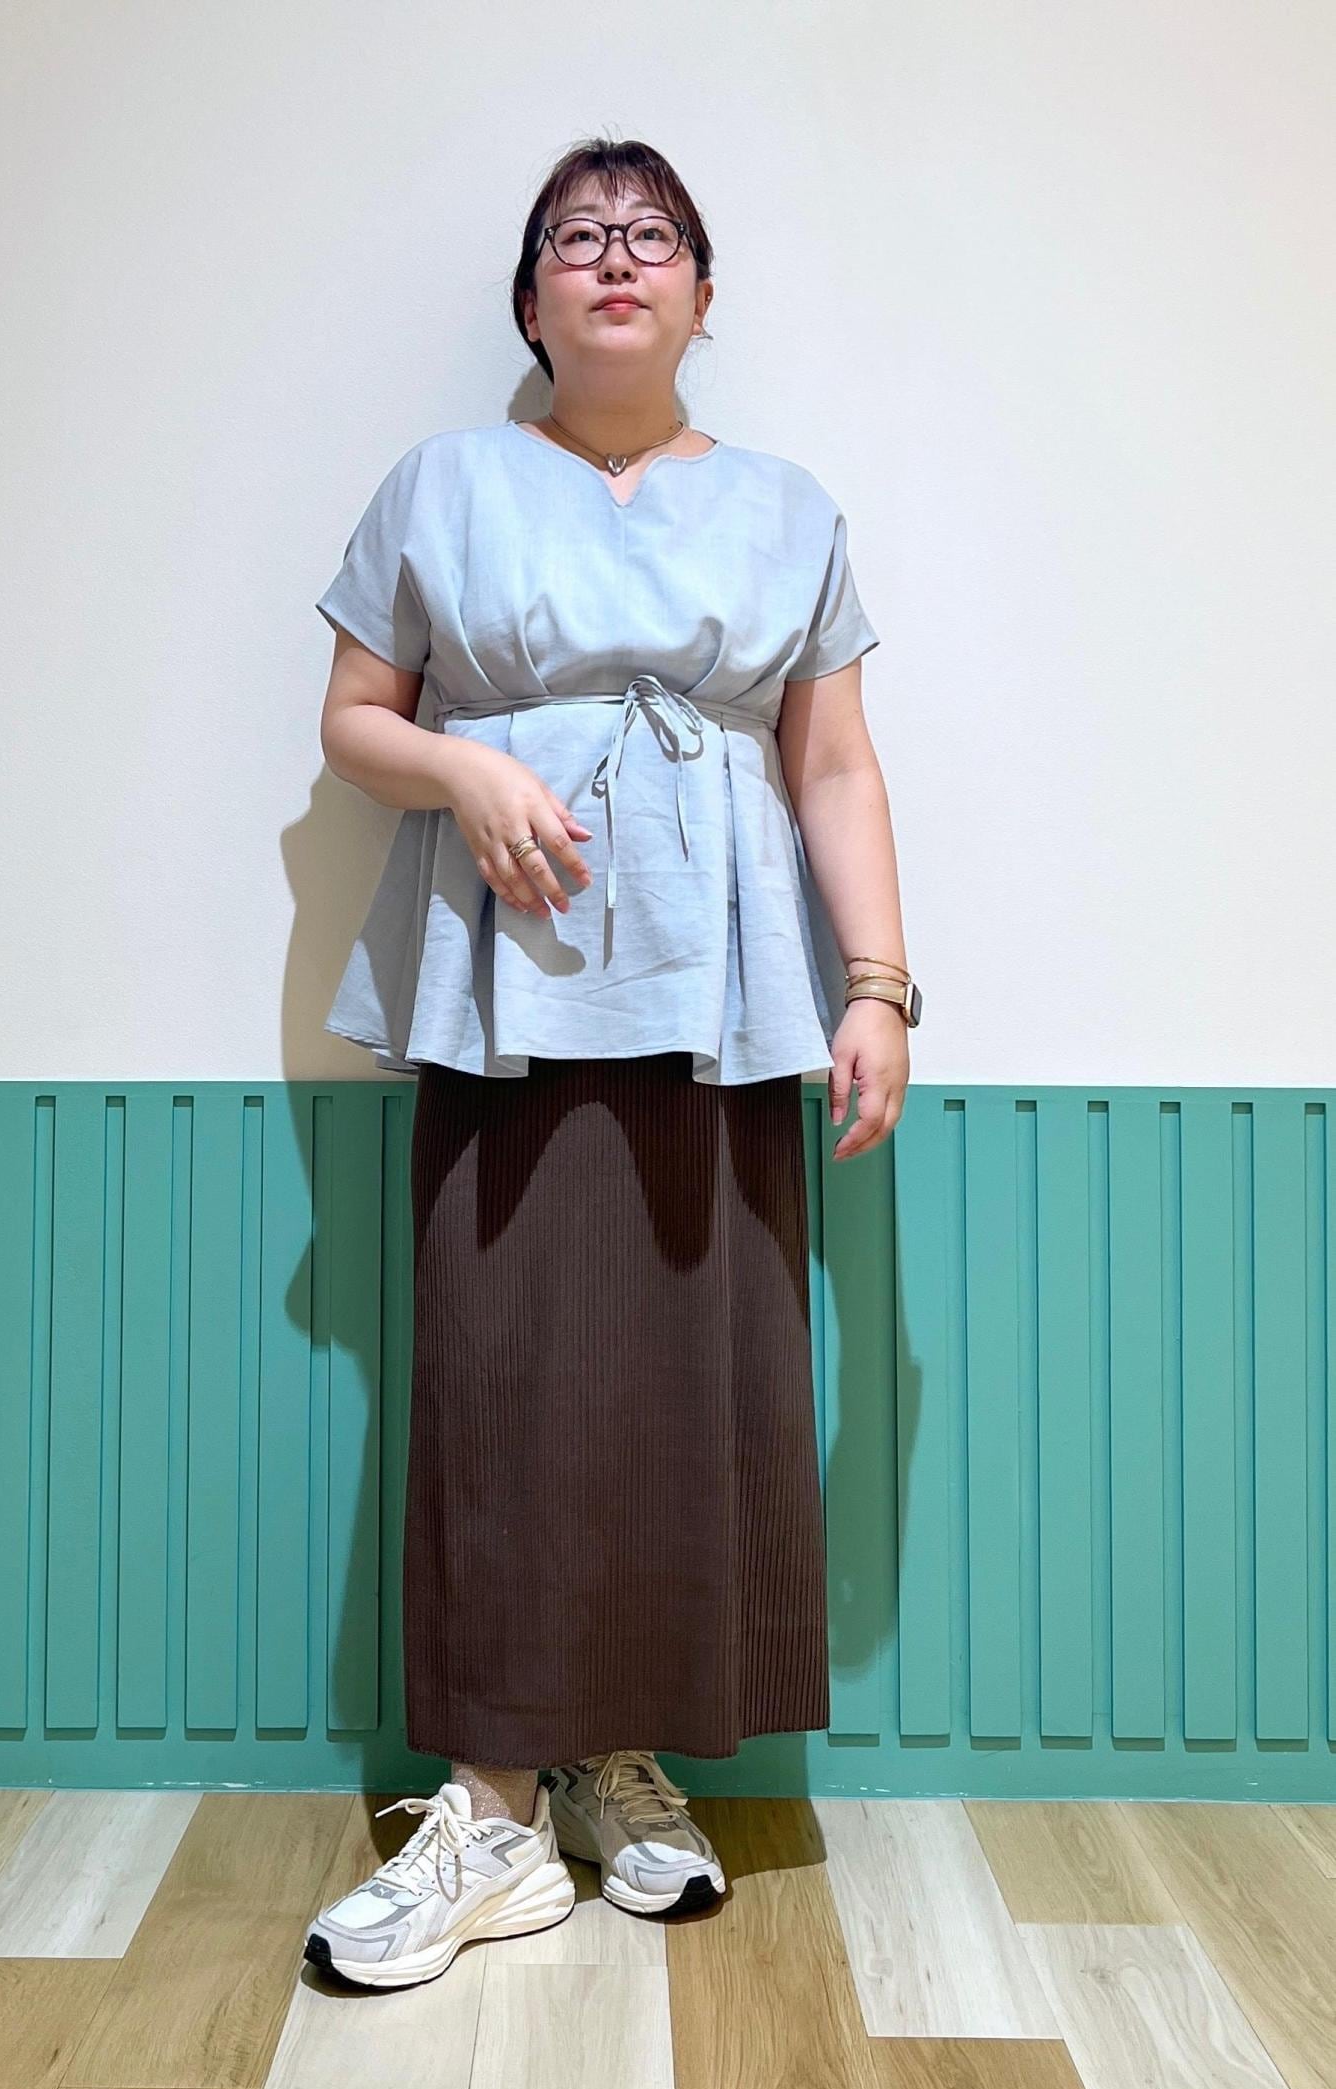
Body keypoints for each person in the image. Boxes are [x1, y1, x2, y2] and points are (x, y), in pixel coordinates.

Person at [302, 136, 917, 1993]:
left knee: (693, 1381)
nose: (617, 259)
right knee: (502, 1376)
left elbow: (832, 763)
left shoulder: (789, 508)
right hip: (508, 979)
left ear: (704, 297)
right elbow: (352, 723)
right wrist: (466, 766)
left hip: (725, 991)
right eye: (579, 237)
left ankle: (614, 1756)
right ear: (532, 299)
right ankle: (491, 1807)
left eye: (653, 236)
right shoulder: (443, 484)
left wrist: (878, 987)